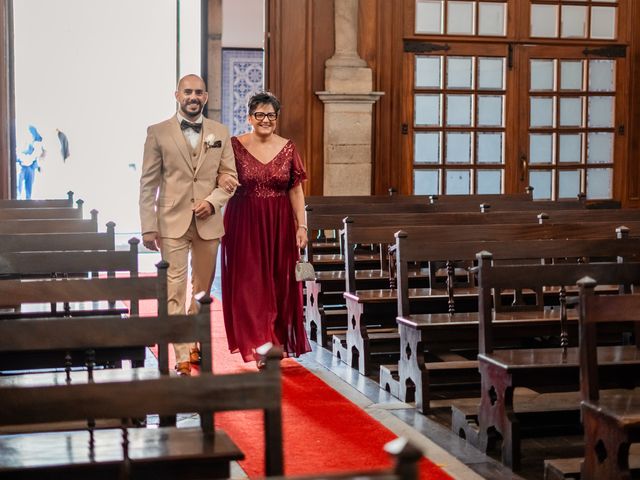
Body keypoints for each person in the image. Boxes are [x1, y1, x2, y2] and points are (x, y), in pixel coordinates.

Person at [139, 74, 238, 376]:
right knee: (174, 289)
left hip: (208, 223)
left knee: (201, 290)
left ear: (205, 97)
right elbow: (148, 183)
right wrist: (148, 225)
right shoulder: (157, 132)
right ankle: (181, 352)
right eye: (188, 92)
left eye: (198, 92)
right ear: (177, 95)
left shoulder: (220, 132)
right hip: (171, 222)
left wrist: (213, 201)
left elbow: (230, 178)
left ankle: (194, 339)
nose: (193, 97)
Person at [219, 91, 311, 368]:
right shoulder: (234, 146)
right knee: (250, 285)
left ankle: (272, 339)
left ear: (276, 118)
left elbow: (296, 191)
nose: (265, 120)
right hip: (243, 221)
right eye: (259, 114)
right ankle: (261, 344)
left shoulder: (288, 148)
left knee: (276, 283)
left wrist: (302, 225)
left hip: (279, 223)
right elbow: (220, 178)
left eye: (271, 115)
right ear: (249, 117)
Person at [16, 125, 45, 199]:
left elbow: (39, 156)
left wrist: (38, 166)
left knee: (29, 188)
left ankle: (28, 202)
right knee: (18, 187)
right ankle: (17, 200)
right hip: (22, 166)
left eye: (33, 135)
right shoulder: (23, 142)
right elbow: (18, 153)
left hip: (31, 167)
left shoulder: (36, 145)